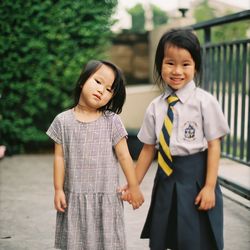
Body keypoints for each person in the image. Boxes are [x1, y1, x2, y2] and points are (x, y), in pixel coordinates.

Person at [121, 29, 230, 250]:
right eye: (170, 63)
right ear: (160, 64)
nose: (177, 71)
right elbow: (148, 149)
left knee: (195, 239)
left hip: (196, 178)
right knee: (164, 236)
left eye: (185, 64)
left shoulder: (205, 102)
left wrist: (209, 187)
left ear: (196, 66)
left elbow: (214, 145)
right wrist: (134, 185)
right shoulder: (155, 107)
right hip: (166, 179)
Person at [46, 59, 144, 250]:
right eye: (98, 82)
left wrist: (134, 186)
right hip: (75, 197)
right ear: (83, 80)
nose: (101, 90)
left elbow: (125, 156)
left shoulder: (112, 121)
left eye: (109, 89)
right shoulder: (62, 121)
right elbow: (60, 157)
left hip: (105, 197)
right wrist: (58, 189)